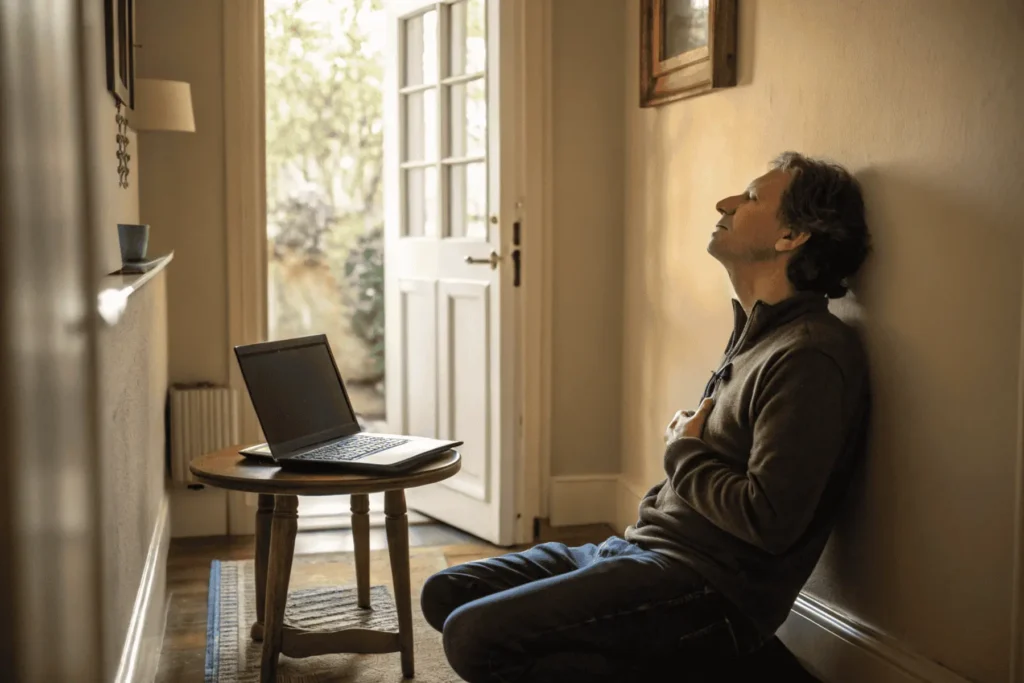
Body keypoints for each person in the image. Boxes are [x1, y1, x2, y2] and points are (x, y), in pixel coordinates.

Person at [420, 152, 872, 682]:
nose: (725, 202)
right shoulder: (757, 334)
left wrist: (683, 450)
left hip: (703, 590)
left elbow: (768, 521)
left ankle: (713, 663)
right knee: (445, 594)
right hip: (634, 550)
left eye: (750, 197)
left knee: (471, 638)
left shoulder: (810, 356)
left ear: (792, 236)